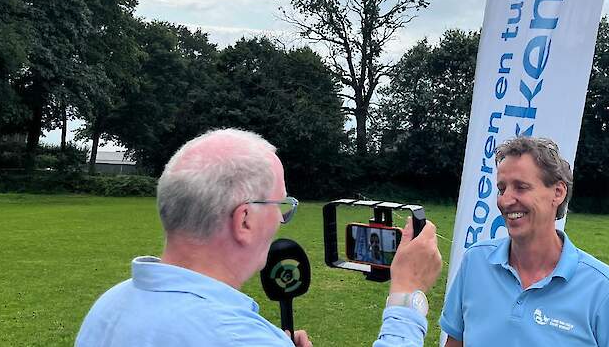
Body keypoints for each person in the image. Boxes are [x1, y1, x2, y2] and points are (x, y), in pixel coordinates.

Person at [76, 128, 442, 347]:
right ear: (245, 220)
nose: (283, 219)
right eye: (281, 204)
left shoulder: (111, 304)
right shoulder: (233, 335)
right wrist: (406, 297)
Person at [439, 136, 609, 346]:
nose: (505, 200)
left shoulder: (602, 288)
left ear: (558, 192)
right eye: (502, 188)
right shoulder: (476, 261)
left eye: (521, 187)